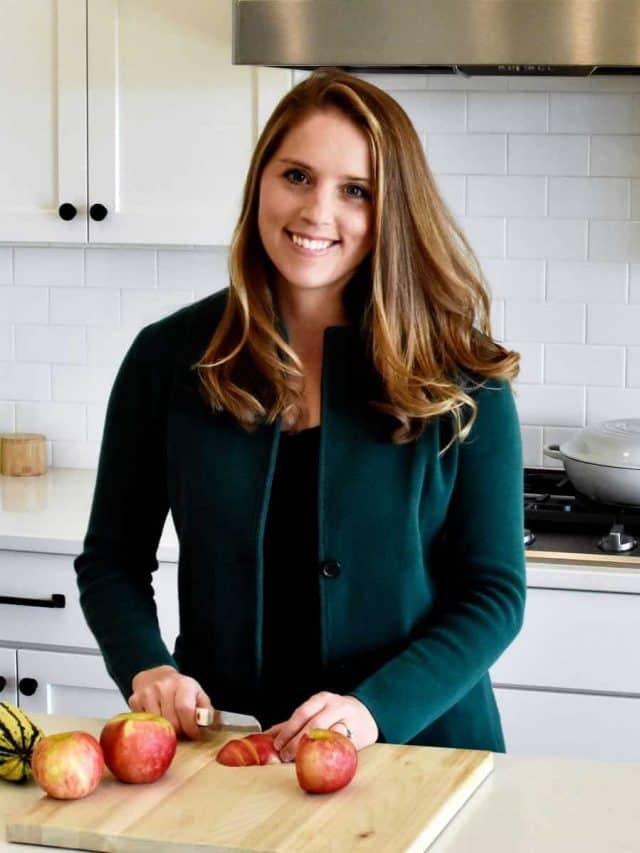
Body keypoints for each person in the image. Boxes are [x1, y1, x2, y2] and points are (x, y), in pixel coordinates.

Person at [74, 68, 525, 762]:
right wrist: (148, 666)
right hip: (231, 754)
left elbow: (493, 593)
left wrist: (375, 709)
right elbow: (111, 561)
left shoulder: (464, 377)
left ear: (389, 212)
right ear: (261, 182)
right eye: (296, 176)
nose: (318, 212)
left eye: (355, 191)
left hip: (424, 753)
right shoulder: (167, 359)